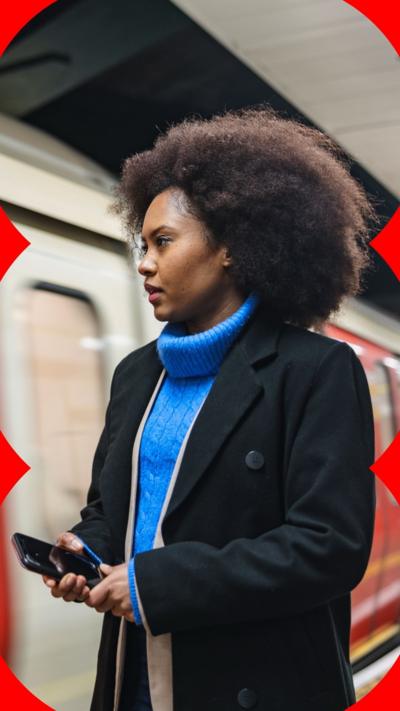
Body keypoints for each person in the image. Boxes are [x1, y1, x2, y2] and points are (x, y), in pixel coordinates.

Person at [43, 106, 377, 711]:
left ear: (231, 247)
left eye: (163, 242)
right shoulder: (137, 373)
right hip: (132, 673)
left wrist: (158, 584)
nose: (143, 263)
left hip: (255, 680)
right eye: (141, 244)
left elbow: (329, 546)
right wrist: (84, 548)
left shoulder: (316, 371)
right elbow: (111, 506)